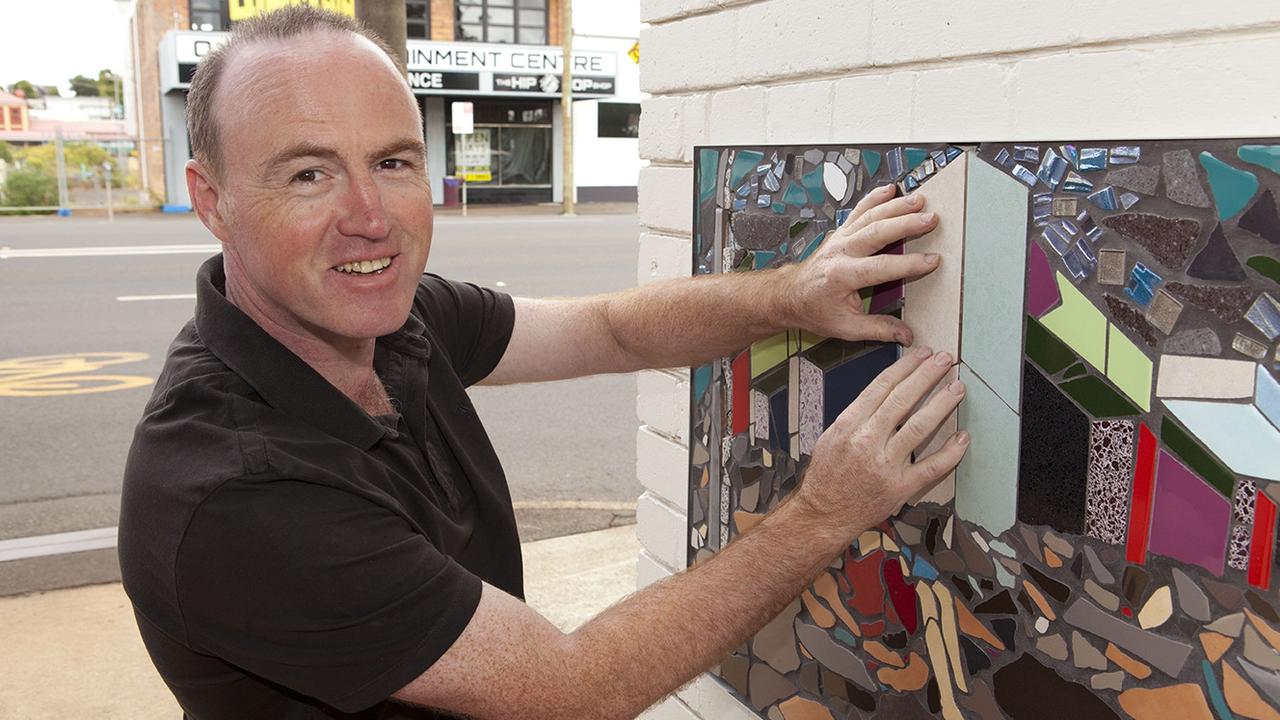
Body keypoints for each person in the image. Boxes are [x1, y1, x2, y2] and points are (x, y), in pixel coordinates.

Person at [118, 6, 969, 719]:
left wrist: (790, 294)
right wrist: (824, 513)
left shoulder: (392, 319)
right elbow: (572, 690)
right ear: (212, 201)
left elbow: (610, 330)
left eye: (392, 162)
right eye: (309, 174)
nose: (370, 216)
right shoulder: (239, 493)